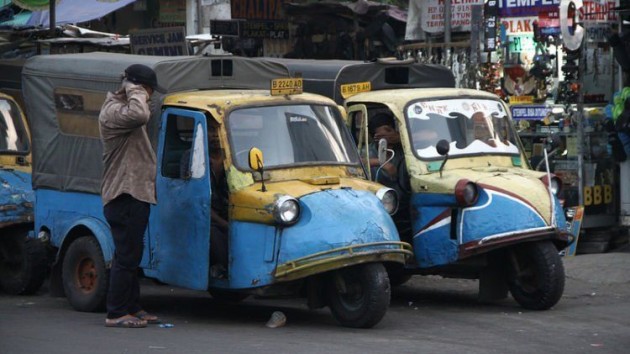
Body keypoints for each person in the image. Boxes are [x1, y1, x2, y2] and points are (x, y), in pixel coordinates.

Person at [99, 64, 165, 328]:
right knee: (126, 256)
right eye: (147, 90)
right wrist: (134, 88)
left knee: (132, 256)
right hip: (123, 194)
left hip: (135, 194)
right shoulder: (113, 112)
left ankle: (132, 307)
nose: (148, 97)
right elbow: (140, 114)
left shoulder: (124, 109)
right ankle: (116, 313)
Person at [367, 112, 411, 239]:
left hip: (404, 205)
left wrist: (400, 137)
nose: (387, 137)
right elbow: (358, 161)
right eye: (382, 133)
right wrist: (382, 163)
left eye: (389, 131)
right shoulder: (369, 151)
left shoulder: (402, 150)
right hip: (382, 207)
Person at [208, 125, 229, 278]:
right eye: (210, 130)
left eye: (218, 131)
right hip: (204, 213)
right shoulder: (191, 157)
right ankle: (224, 267)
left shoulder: (232, 160)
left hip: (227, 210)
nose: (215, 136)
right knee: (214, 232)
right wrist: (224, 223)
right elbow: (195, 199)